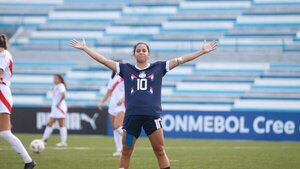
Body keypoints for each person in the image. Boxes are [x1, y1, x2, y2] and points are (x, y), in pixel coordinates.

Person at [71, 39, 217, 169]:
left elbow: (181, 60)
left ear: (148, 54)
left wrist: (202, 52)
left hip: (152, 118)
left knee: (159, 150)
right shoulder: (126, 69)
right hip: (131, 120)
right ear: (134, 54)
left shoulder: (159, 67)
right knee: (126, 150)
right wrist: (85, 48)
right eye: (138, 50)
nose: (141, 52)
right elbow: (103, 60)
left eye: (144, 50)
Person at [0, 34, 36, 169]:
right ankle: (28, 161)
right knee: (4, 132)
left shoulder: (3, 55)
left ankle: (29, 161)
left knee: (4, 133)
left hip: (1, 93)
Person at [98, 64, 125, 156]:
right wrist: (102, 102)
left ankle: (129, 139)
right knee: (114, 128)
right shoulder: (112, 78)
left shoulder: (125, 77)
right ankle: (119, 149)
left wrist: (123, 99)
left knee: (117, 125)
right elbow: (109, 92)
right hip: (112, 105)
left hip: (122, 105)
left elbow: (130, 91)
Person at [41, 74, 68, 147]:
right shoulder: (56, 86)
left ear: (60, 79)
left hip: (60, 107)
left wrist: (58, 103)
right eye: (54, 78)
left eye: (56, 78)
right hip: (55, 108)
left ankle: (63, 142)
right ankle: (44, 140)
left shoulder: (61, 85)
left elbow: (64, 95)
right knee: (50, 123)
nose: (54, 80)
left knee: (61, 124)